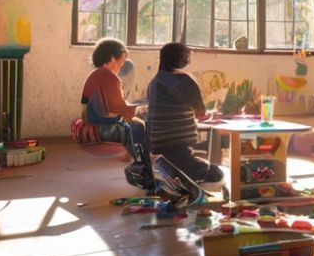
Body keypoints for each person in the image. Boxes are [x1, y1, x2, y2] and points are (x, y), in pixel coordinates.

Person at [146, 42, 224, 185]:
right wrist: (212, 113)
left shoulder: (154, 81)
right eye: (187, 56)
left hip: (156, 145)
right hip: (176, 144)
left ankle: (170, 173)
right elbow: (200, 112)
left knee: (189, 166)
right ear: (179, 58)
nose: (189, 60)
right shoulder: (183, 80)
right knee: (216, 173)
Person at [80, 38, 145, 147]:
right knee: (142, 128)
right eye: (122, 62)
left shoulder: (94, 75)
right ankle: (132, 155)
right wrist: (141, 109)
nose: (121, 66)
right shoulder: (110, 78)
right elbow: (120, 109)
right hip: (103, 130)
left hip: (91, 125)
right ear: (112, 58)